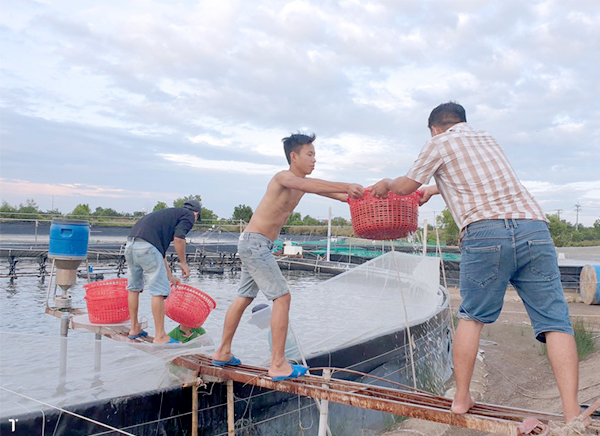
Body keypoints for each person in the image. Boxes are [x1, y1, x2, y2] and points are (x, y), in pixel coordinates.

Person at [370, 102, 580, 422]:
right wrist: (433, 190)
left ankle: (461, 399)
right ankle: (572, 413)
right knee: (556, 322)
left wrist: (386, 183)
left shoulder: (438, 142)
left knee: (471, 317)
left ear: (434, 127)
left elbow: (404, 187)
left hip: (486, 232)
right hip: (534, 228)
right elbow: (476, 178)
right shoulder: (487, 139)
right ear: (462, 121)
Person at [212, 133, 364, 381]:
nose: (314, 160)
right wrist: (347, 185)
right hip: (256, 244)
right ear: (294, 156)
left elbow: (336, 194)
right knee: (282, 298)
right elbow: (313, 186)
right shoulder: (283, 178)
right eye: (310, 154)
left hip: (252, 243)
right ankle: (278, 363)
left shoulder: (302, 183)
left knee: (243, 297)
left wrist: (365, 195)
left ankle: (222, 351)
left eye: (315, 155)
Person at [125, 200, 201, 344]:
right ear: (196, 213)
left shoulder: (167, 215)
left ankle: (134, 328)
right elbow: (179, 239)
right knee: (158, 292)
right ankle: (160, 336)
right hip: (147, 247)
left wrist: (170, 276)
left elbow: (159, 253)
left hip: (130, 245)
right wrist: (183, 263)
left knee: (134, 288)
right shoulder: (189, 215)